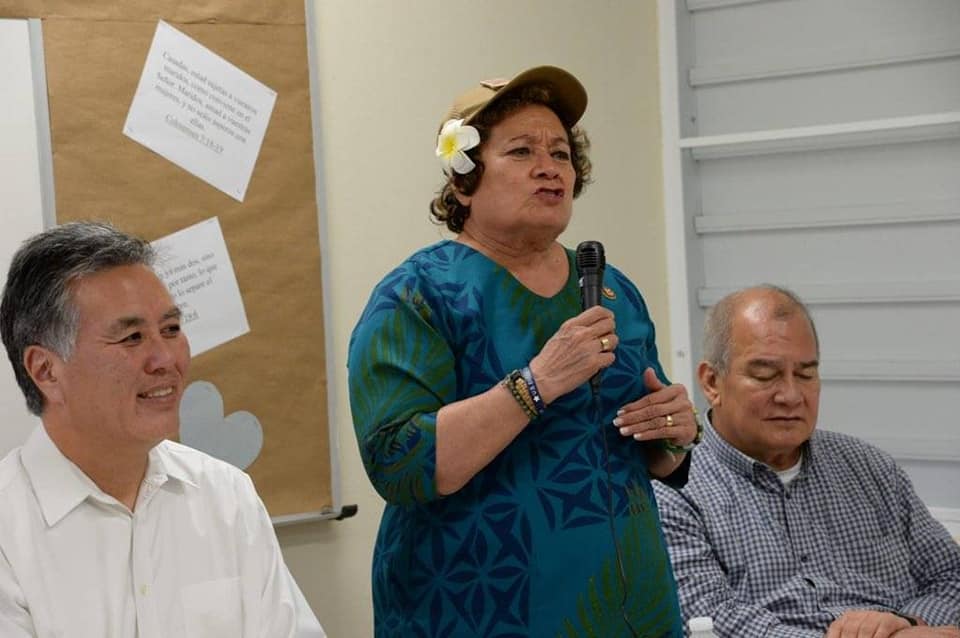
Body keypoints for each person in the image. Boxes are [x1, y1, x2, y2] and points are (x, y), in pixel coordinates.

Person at [347, 65, 701, 637]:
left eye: (561, 153)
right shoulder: (418, 295)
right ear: (464, 178)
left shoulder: (615, 290)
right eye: (521, 151)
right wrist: (535, 384)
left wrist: (675, 435)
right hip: (476, 612)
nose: (549, 167)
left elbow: (650, 453)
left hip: (631, 612)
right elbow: (397, 462)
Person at [0, 221, 325, 637]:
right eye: (132, 337)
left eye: (171, 329)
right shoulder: (11, 532)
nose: (166, 359)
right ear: (46, 370)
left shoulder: (225, 496)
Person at [653, 285, 960, 638]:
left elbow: (950, 574)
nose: (790, 395)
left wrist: (907, 622)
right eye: (765, 375)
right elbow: (710, 619)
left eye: (805, 374)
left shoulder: (871, 469)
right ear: (711, 382)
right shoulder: (674, 488)